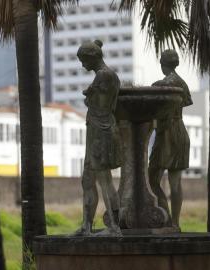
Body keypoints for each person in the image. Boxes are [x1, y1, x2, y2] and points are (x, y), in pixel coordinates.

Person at [74, 40, 123, 236]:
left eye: (84, 60)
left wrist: (89, 96)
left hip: (102, 131)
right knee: (87, 180)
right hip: (95, 130)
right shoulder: (102, 76)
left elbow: (96, 104)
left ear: (92, 57)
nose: (82, 65)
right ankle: (87, 226)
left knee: (105, 179)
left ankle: (114, 227)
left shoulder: (105, 75)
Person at [149, 49, 193, 228]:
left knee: (151, 179)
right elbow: (187, 101)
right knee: (176, 183)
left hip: (166, 132)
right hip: (180, 131)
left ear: (162, 64)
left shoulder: (160, 84)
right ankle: (175, 222)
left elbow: (152, 109)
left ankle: (165, 217)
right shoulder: (182, 83)